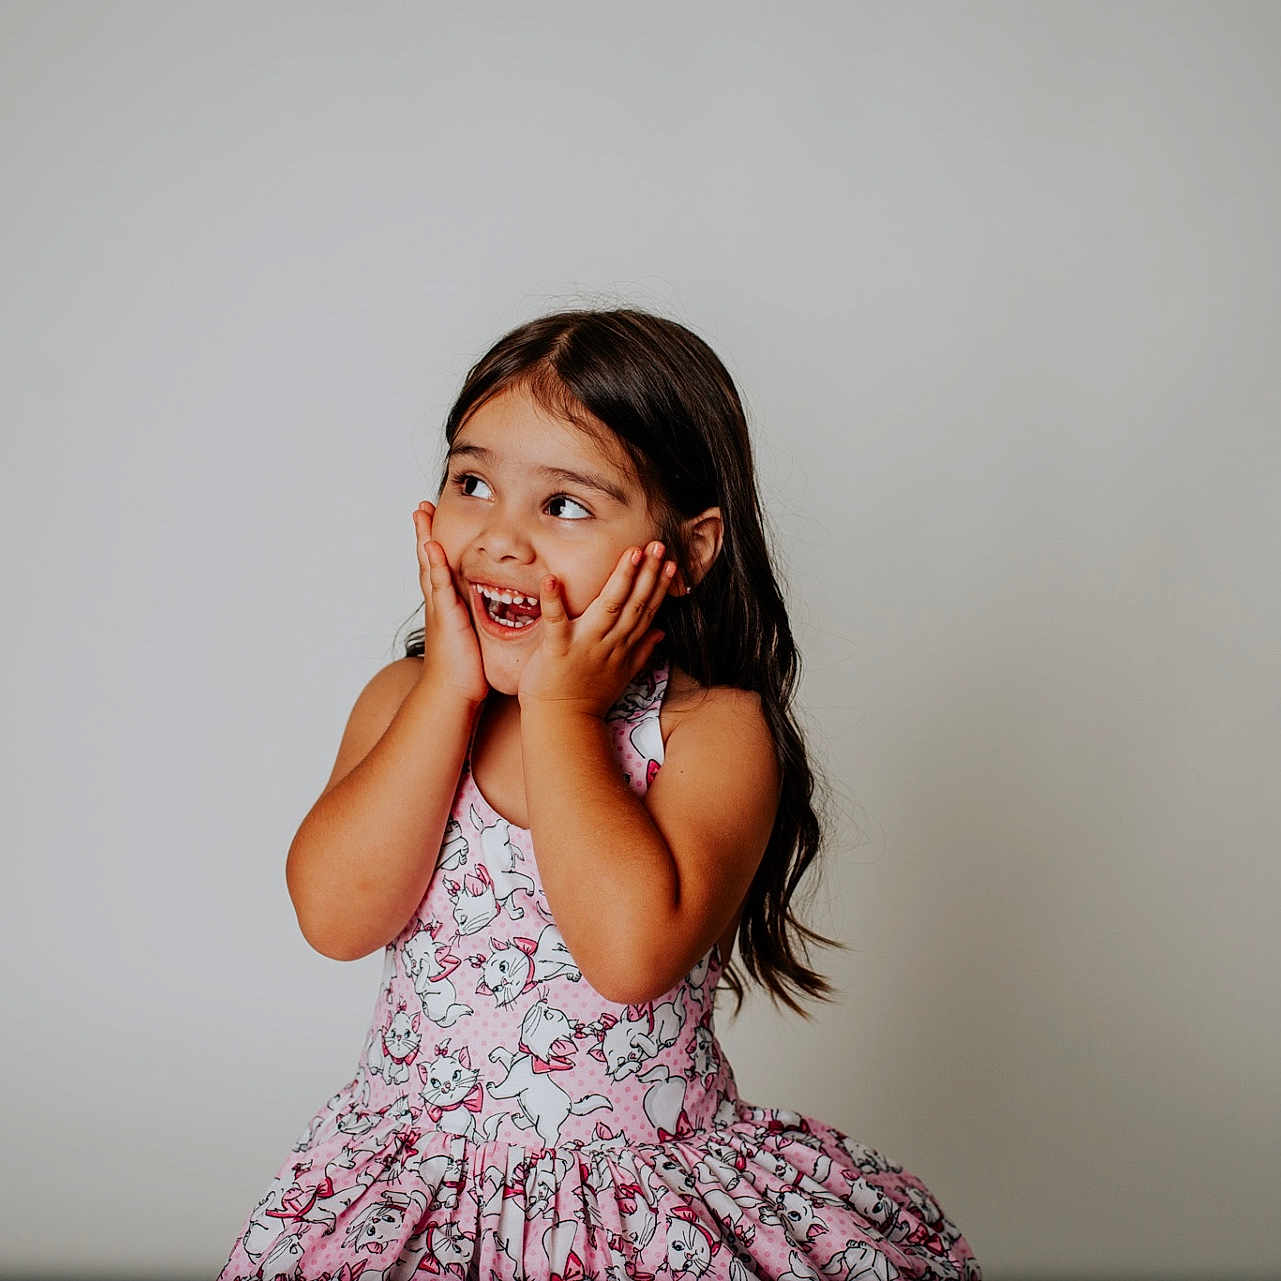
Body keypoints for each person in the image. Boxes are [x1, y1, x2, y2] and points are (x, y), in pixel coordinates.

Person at [216, 307, 982, 1281]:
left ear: (690, 550)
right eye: (472, 482)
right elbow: (334, 916)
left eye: (565, 505)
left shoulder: (709, 733)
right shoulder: (406, 701)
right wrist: (450, 690)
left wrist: (564, 715)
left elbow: (628, 957)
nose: (500, 536)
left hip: (639, 1206)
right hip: (416, 1193)